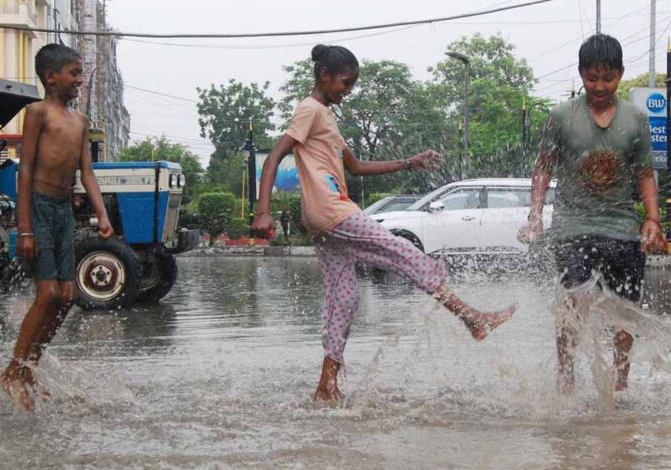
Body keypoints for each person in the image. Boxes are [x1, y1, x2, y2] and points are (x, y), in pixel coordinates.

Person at [251, 44, 516, 401]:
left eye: (352, 84)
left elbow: (356, 167)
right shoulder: (310, 109)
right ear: (324, 76)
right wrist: (263, 211)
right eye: (345, 82)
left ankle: (326, 386)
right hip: (332, 211)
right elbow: (273, 158)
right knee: (403, 251)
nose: (348, 90)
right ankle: (472, 318)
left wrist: (409, 163)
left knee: (344, 298)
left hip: (323, 219)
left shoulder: (326, 117)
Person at [518, 34, 666, 394]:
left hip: (621, 228)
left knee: (626, 309)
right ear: (581, 73)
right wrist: (535, 215)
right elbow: (543, 169)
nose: (600, 86)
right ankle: (566, 378)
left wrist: (653, 219)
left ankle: (620, 382)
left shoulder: (636, 119)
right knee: (573, 302)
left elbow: (645, 173)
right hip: (573, 227)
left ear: (621, 74)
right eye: (592, 78)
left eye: (608, 78)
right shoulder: (560, 117)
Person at [0, 44, 114, 411]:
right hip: (38, 206)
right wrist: (25, 229)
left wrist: (103, 214)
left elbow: (87, 173)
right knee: (47, 292)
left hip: (64, 210)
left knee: (67, 295)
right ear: (51, 77)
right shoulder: (37, 113)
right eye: (74, 73)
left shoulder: (80, 121)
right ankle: (12, 370)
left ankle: (31, 366)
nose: (80, 80)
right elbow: (25, 170)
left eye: (80, 74)